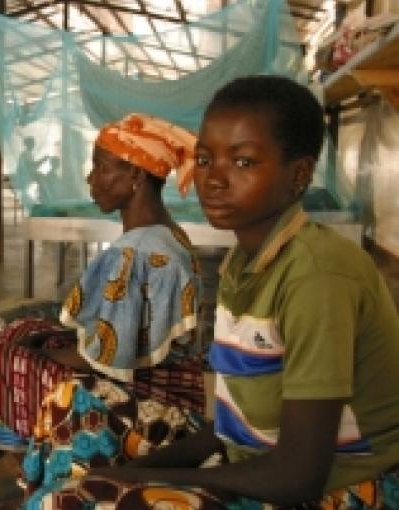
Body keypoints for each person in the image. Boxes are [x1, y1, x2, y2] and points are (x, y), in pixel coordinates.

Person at [23, 77, 399, 510]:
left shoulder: (318, 277)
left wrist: (128, 480)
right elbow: (227, 422)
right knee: (72, 408)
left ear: (298, 175)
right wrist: (140, 471)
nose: (213, 179)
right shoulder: (242, 262)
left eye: (242, 162)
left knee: (90, 497)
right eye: (204, 158)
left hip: (347, 488)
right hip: (251, 455)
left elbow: (298, 477)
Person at [0, 114, 204, 508]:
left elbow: (107, 359)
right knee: (29, 330)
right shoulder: (166, 234)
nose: (90, 178)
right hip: (175, 377)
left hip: (156, 396)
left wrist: (43, 353)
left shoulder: (136, 252)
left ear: (135, 175)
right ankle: (39, 474)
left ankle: (43, 477)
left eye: (101, 167)